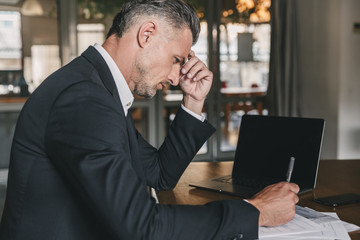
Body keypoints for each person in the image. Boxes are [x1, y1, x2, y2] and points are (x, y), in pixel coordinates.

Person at [0, 0, 299, 239]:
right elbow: (141, 228)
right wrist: (254, 211)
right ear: (147, 34)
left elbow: (159, 174)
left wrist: (193, 100)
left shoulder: (97, 88)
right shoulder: (85, 99)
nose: (174, 77)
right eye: (176, 60)